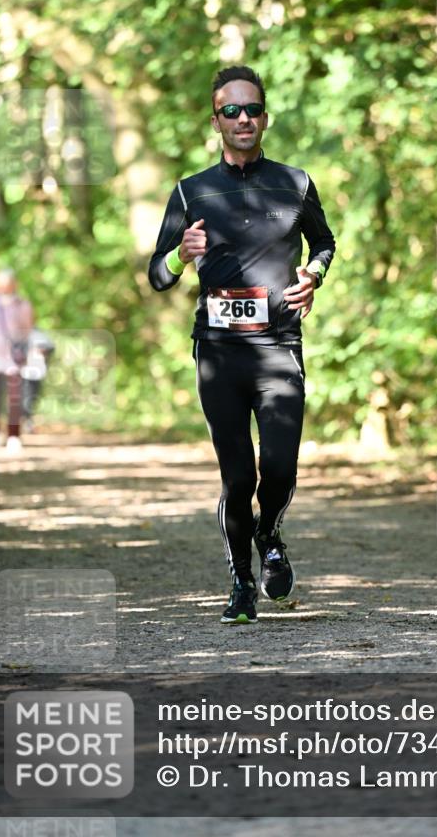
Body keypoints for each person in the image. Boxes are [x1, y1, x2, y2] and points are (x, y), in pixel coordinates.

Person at [149, 65, 336, 624]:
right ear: (216, 122)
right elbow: (157, 275)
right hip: (219, 354)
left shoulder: (296, 183)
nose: (243, 119)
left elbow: (324, 242)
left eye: (252, 109)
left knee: (278, 467)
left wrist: (314, 275)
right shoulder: (191, 190)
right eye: (231, 111)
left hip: (279, 346)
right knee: (238, 475)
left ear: (265, 117)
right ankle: (241, 583)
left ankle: (270, 531)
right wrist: (181, 255)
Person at [0, 269, 34, 452]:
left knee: (14, 397)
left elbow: (27, 329)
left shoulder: (22, 304)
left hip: (13, 356)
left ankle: (13, 435)